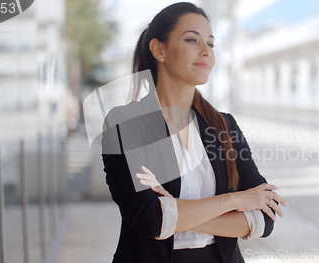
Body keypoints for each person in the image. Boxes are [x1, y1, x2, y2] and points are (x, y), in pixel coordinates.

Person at [100, 2, 288, 263]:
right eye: (192, 40)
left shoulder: (224, 126)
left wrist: (176, 214)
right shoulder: (125, 123)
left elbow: (263, 219)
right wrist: (235, 200)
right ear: (159, 49)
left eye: (210, 44)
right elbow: (151, 219)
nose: (206, 52)